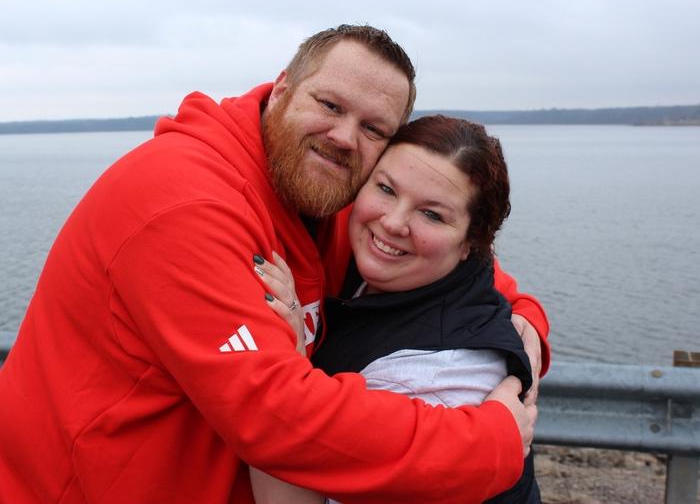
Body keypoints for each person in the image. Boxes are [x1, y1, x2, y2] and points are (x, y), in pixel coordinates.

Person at [0, 25, 548, 504]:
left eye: (373, 129)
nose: (343, 137)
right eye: (330, 105)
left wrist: (525, 318)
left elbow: (457, 265)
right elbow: (276, 416)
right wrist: (489, 444)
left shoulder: (324, 192)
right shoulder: (183, 202)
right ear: (283, 87)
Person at [250, 116, 541, 503]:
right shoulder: (387, 277)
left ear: (471, 243)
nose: (393, 222)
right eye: (386, 189)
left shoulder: (433, 377)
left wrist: (285, 359)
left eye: (432, 214)